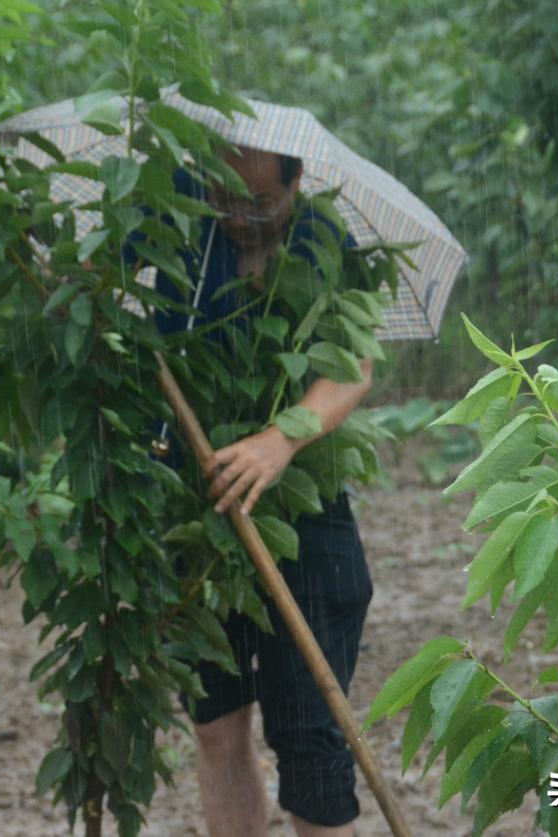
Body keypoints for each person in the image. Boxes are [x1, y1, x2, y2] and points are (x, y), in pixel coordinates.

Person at [140, 146, 376, 837]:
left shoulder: (328, 241)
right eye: (226, 198)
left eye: (259, 202)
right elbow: (110, 284)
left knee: (310, 742)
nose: (240, 217)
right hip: (195, 512)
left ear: (297, 182)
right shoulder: (174, 217)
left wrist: (279, 440)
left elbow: (352, 368)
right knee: (214, 723)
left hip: (302, 513)